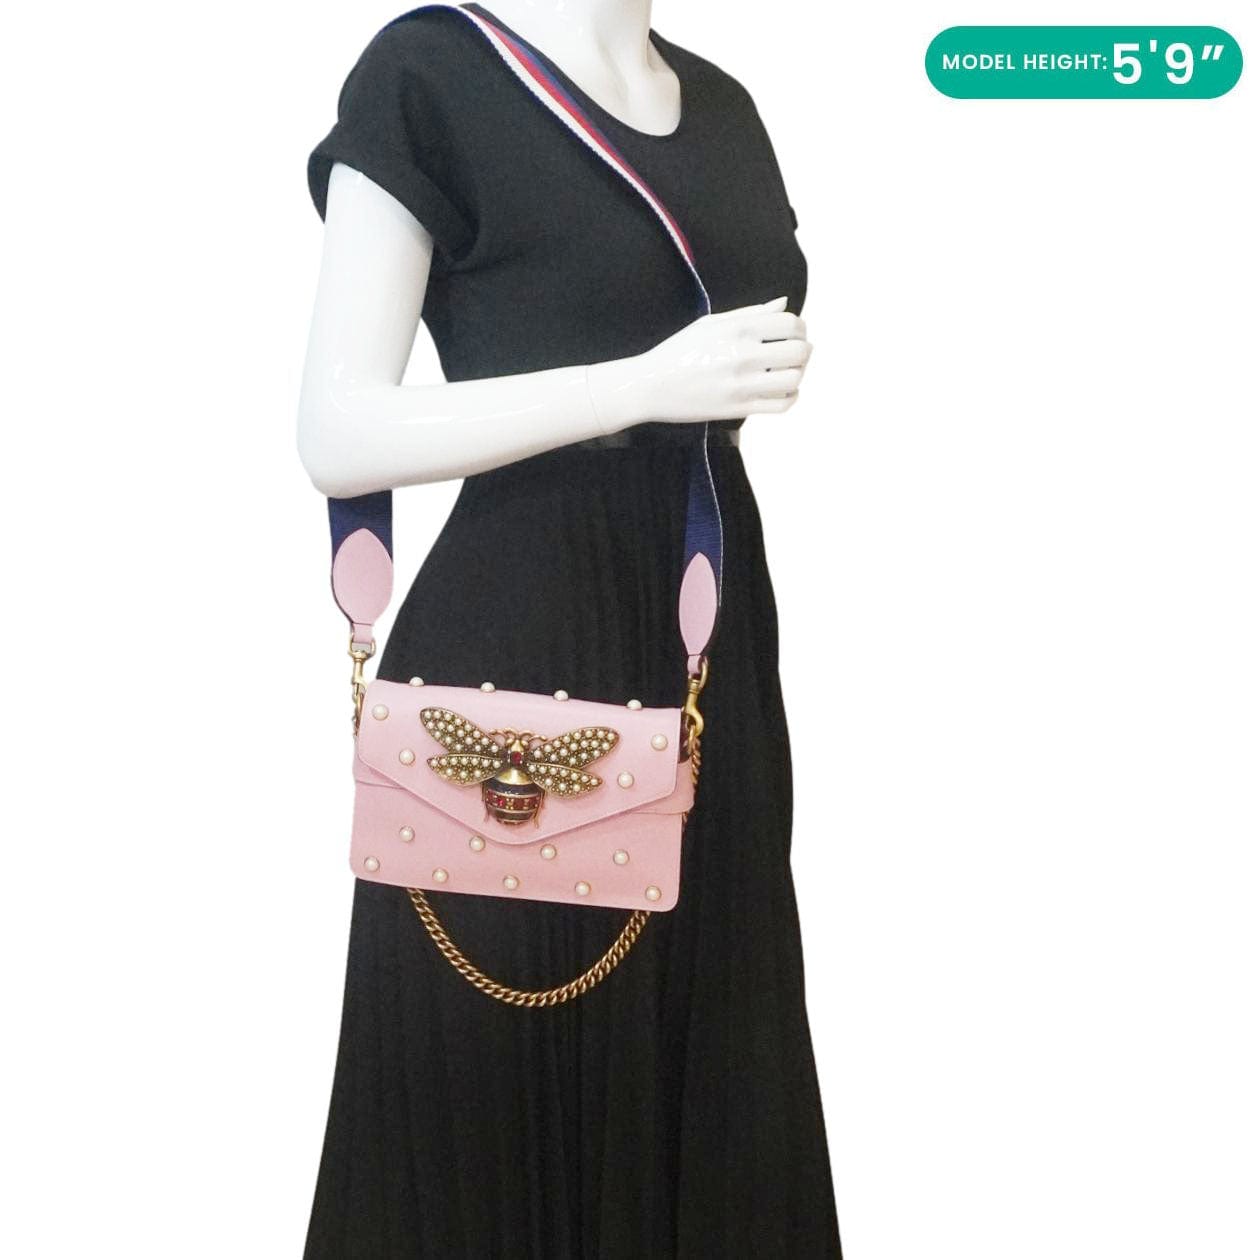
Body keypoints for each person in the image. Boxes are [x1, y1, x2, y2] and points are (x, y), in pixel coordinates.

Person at [298, 3, 842, 1255]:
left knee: (712, 1056)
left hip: (709, 638)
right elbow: (337, 431)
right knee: (499, 1082)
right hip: (522, 656)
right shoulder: (432, 72)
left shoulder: (726, 107)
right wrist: (645, 384)